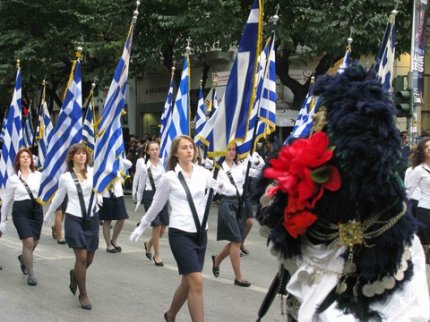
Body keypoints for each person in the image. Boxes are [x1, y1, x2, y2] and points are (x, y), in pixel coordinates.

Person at [256, 63, 429, 321]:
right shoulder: (308, 168)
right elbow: (273, 216)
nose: (317, 126)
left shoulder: (380, 183)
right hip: (315, 273)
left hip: (361, 282)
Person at [130, 135, 233, 322]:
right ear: (176, 153)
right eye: (184, 148)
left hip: (200, 233)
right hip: (180, 233)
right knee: (197, 281)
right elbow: (156, 205)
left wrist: (224, 186)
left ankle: (170, 315)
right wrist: (143, 225)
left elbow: (226, 189)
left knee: (188, 282)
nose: (189, 151)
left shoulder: (203, 173)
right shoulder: (169, 178)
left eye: (191, 147)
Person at [43, 143, 98, 310]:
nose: (81, 156)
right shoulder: (66, 177)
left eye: (84, 153)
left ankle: (75, 274)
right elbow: (59, 197)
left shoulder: (95, 173)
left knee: (89, 259)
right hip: (74, 219)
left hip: (92, 218)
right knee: (81, 257)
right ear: (72, 157)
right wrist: (49, 214)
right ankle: (83, 294)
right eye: (78, 153)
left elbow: (120, 167)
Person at [212, 143, 260, 287]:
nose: (232, 152)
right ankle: (238, 277)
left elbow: (257, 172)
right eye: (229, 149)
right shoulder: (219, 168)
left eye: (234, 150)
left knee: (235, 241)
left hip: (239, 205)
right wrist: (223, 186)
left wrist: (255, 160)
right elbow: (217, 186)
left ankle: (217, 260)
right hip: (227, 205)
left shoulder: (240, 166)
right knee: (237, 240)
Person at [0, 148, 43, 286]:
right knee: (28, 242)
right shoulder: (12, 179)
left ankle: (23, 258)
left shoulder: (39, 175)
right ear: (18, 161)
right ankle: (31, 274)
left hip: (36, 210)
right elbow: (6, 201)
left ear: (31, 160)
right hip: (20, 211)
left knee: (34, 242)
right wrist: (3, 220)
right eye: (22, 157)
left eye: (28, 156)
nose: (26, 158)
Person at [135, 141, 168, 266]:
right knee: (157, 226)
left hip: (162, 196)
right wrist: (139, 200)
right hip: (150, 196)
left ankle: (148, 244)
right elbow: (141, 184)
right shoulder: (145, 167)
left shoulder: (163, 164)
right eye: (152, 149)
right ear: (148, 152)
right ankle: (157, 255)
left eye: (157, 149)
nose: (155, 152)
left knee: (163, 227)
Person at [405, 137, 430, 264]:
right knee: (425, 245)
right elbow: (408, 191)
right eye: (426, 147)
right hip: (426, 209)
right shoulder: (418, 170)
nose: (429, 148)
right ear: (422, 151)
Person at [99, 158, 132, 253]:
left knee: (122, 218)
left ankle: (114, 240)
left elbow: (129, 164)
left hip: (117, 193)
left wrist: (117, 156)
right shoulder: (101, 162)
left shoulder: (118, 162)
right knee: (107, 220)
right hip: (105, 194)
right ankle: (108, 244)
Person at [239, 151, 265, 255]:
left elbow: (262, 167)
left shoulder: (253, 153)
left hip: (247, 190)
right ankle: (235, 247)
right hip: (237, 189)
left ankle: (240, 243)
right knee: (239, 222)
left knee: (249, 222)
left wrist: (257, 162)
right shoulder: (237, 150)